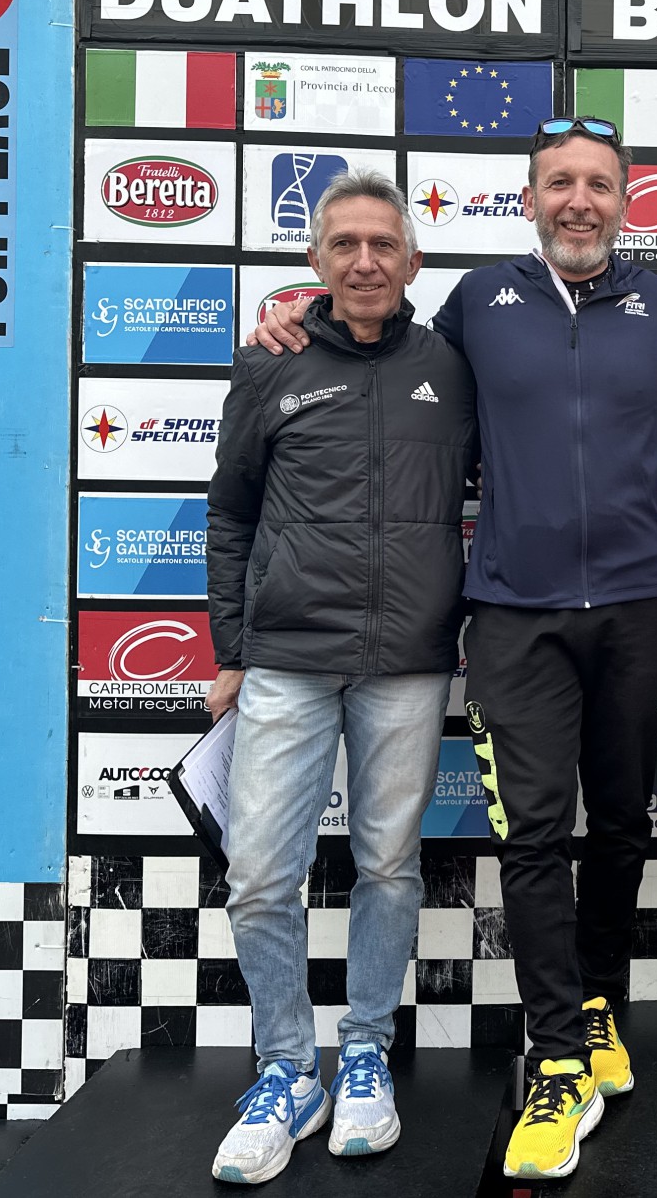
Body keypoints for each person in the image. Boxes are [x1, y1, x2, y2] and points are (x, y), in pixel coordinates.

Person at [248, 117, 657, 1181]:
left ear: (624, 201)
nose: (578, 200)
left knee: (622, 823)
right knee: (531, 835)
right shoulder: (477, 303)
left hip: (639, 604)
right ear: (528, 200)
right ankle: (555, 1054)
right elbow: (376, 347)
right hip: (510, 613)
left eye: (597, 184)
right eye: (558, 183)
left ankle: (596, 1005)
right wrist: (292, 311)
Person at [203, 171, 477, 1184]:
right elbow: (231, 511)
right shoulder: (268, 364)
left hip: (407, 660)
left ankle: (364, 1052)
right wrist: (231, 650)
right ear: (315, 260)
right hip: (287, 657)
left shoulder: (452, 367)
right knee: (259, 874)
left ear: (412, 260)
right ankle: (287, 1069)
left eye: (383, 244)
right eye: (345, 245)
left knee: (388, 867)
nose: (365, 262)